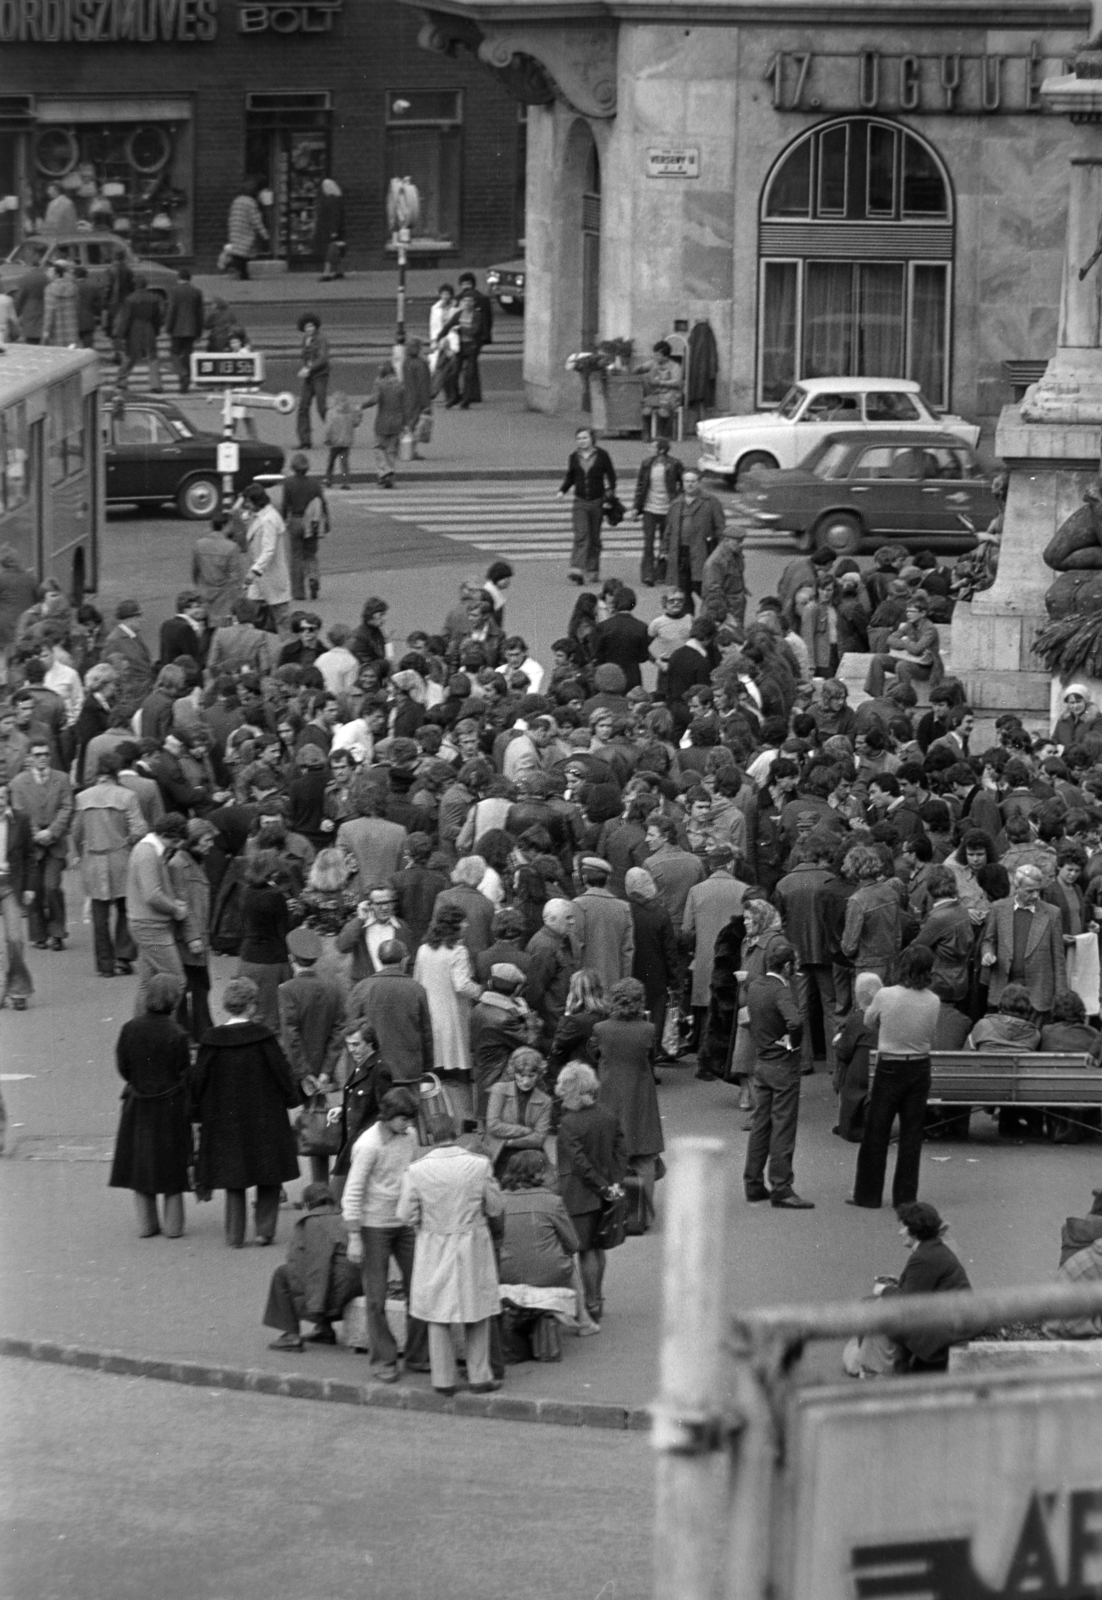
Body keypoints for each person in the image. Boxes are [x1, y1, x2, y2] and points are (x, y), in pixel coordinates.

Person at [191, 975, 304, 1249]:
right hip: (265, 1115)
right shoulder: (264, 1038)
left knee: (234, 1175)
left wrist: (196, 1113)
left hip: (225, 1118)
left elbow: (198, 1080)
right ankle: (264, 1230)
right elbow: (281, 1072)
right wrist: (292, 1099)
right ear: (251, 1005)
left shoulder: (212, 1041)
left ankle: (235, 1234)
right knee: (268, 1173)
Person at [396, 1113, 504, 1395]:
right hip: (472, 1240)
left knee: (437, 1312)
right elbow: (495, 1207)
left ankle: (443, 1379)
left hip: (433, 1242)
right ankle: (480, 1376)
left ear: (430, 1136)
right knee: (477, 1308)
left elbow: (405, 1214)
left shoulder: (416, 1170)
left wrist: (423, 1221)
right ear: (456, 1132)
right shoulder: (478, 1165)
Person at [342, 1086, 426, 1382]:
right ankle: (384, 1360)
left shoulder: (410, 1136)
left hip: (404, 1224)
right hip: (373, 1226)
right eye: (404, 1118)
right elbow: (353, 1192)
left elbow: (413, 1174)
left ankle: (417, 1355)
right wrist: (354, 1236)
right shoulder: (368, 1145)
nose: (409, 1124)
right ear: (388, 1115)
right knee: (376, 1298)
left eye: (411, 1119)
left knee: (419, 1290)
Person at [850, 944, 940, 1209]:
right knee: (911, 1135)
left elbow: (868, 1021)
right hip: (919, 1066)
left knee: (876, 1132)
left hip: (890, 1065)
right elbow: (930, 1032)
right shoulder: (933, 1000)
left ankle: (868, 1195)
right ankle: (905, 1196)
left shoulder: (886, 995)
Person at [108, 972, 192, 1239]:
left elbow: (123, 1067)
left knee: (140, 1163)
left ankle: (147, 1224)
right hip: (170, 1105)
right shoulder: (177, 1034)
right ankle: (174, 1227)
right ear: (173, 1000)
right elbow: (184, 1072)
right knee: (172, 1166)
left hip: (138, 1104)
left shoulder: (129, 1028)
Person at [743, 938, 814, 1209]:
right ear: (786, 966)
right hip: (783, 1065)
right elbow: (795, 1020)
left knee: (761, 1124)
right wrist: (792, 1041)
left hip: (762, 1062)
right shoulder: (781, 991)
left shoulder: (755, 986)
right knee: (783, 1126)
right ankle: (781, 1187)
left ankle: (753, 1183)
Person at [555, 1061, 626, 1326]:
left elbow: (578, 1164)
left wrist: (600, 1185)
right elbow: (621, 1152)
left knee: (585, 1251)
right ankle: (598, 1299)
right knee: (599, 1248)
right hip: (607, 1191)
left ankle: (591, 1303)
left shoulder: (569, 1123)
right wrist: (612, 1184)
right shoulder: (608, 1115)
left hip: (579, 1194)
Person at [497, 1149, 584, 1362]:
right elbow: (573, 1244)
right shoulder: (551, 1201)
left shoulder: (499, 1200)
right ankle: (584, 1319)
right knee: (567, 1258)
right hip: (549, 1275)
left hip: (507, 1274)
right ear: (538, 1174)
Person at [263, 1182, 364, 1352]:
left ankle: (291, 1336)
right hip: (358, 1289)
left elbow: (318, 1267)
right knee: (334, 1273)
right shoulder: (346, 1217)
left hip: (338, 1296)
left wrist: (316, 1308)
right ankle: (324, 1330)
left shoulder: (313, 1222)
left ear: (306, 1205)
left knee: (283, 1274)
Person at [592, 978, 663, 1214]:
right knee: (644, 1155)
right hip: (641, 1094)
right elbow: (651, 1057)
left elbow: (593, 1054)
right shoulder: (648, 1029)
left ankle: (614, 1209)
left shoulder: (600, 1029)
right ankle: (644, 1211)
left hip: (609, 1093)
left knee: (611, 1153)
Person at [72, 750, 145, 978]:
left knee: (99, 915)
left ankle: (105, 964)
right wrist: (127, 841)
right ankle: (123, 957)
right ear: (117, 772)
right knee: (126, 908)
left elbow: (76, 832)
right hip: (121, 857)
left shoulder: (83, 797)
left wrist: (81, 853)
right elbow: (139, 829)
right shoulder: (127, 796)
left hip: (93, 858)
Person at [413, 903, 482, 1122]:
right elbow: (462, 985)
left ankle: (434, 1117)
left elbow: (417, 981)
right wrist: (480, 991)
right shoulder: (458, 952)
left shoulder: (423, 950)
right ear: (454, 925)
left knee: (433, 1069)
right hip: (452, 1016)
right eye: (463, 921)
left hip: (429, 1015)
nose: (467, 925)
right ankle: (464, 1118)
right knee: (458, 1070)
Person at [980, 863, 1068, 1024]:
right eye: (1029, 891)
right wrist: (988, 953)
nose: (1035, 895)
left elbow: (1058, 958)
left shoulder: (1052, 913)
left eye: (1038, 890)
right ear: (1017, 887)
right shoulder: (998, 909)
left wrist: (1061, 995)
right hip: (1004, 991)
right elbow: (989, 940)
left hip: (1038, 996)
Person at [11, 737, 73, 950]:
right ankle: (38, 934)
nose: (43, 758)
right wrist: (36, 834)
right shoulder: (18, 783)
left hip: (55, 843)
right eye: (38, 755)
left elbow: (67, 807)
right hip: (31, 845)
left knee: (52, 886)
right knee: (34, 889)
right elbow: (18, 811)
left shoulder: (61, 778)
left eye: (46, 754)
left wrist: (52, 832)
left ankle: (57, 933)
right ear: (30, 757)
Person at [346, 938, 434, 1086]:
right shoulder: (416, 989)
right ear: (404, 960)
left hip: (372, 1070)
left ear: (379, 960)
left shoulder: (361, 988)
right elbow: (426, 1034)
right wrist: (427, 1067)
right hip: (408, 1071)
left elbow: (351, 1029)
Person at [125, 812, 189, 1014]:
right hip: (151, 927)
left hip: (144, 923)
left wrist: (171, 901)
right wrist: (176, 909)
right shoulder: (148, 854)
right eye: (176, 842)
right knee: (176, 981)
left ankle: (142, 1027)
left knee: (148, 983)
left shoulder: (146, 849)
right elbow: (152, 895)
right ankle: (163, 1026)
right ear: (172, 836)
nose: (175, 848)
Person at [237, 847, 291, 1032]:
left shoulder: (245, 891)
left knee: (250, 1012)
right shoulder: (275, 896)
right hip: (272, 961)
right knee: (271, 1019)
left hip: (248, 957)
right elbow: (283, 931)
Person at [558, 427, 617, 587]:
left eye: (584, 438)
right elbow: (571, 476)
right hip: (580, 501)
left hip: (597, 501)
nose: (581, 441)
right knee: (582, 535)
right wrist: (562, 491)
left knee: (594, 537)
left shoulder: (602, 455)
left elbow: (610, 476)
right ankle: (577, 568)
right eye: (579, 438)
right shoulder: (574, 457)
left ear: (592, 439)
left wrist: (609, 495)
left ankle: (592, 568)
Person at [485, 1047, 554, 1171]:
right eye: (521, 1075)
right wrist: (525, 1131)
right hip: (500, 1153)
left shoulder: (545, 1100)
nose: (526, 1081)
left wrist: (509, 1142)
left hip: (530, 1153)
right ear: (513, 1073)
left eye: (531, 1076)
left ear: (539, 1074)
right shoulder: (499, 1090)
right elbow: (493, 1125)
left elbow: (539, 1138)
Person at [832, 971, 882, 1142]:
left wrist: (839, 1040)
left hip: (861, 1084)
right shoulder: (888, 1015)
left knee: (843, 1061)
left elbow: (844, 1052)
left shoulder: (857, 1019)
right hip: (886, 1078)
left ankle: (846, 1122)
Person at [572, 856, 634, 991]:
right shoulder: (624, 907)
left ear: (584, 878)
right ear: (607, 879)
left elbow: (576, 948)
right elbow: (627, 952)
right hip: (615, 983)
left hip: (586, 985)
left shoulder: (578, 905)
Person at [667, 469, 726, 602]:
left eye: (693, 481)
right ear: (682, 483)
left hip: (703, 552)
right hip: (681, 553)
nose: (690, 484)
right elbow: (669, 530)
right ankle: (687, 614)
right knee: (683, 592)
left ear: (699, 483)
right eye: (687, 481)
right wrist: (664, 551)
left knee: (703, 589)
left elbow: (720, 528)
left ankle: (713, 611)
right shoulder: (676, 503)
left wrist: (721, 551)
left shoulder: (711, 501)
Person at [632, 437, 684, 587]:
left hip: (667, 509)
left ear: (661, 450)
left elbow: (682, 483)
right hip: (649, 508)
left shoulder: (674, 464)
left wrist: (678, 501)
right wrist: (636, 507)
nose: (650, 449)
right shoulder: (647, 463)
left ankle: (661, 573)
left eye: (653, 447)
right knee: (648, 542)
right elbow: (641, 486)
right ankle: (648, 575)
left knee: (664, 543)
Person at [243, 483, 292, 634]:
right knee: (254, 614)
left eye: (248, 502)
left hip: (270, 576)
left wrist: (255, 570)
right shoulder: (262, 516)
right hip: (263, 578)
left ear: (257, 502)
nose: (246, 505)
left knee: (281, 618)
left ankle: (286, 645)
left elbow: (269, 549)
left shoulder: (268, 520)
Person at [281, 453, 329, 603]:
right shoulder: (315, 483)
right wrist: (326, 521)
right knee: (310, 554)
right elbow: (323, 503)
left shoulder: (288, 483)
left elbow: (285, 505)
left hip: (295, 520)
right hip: (312, 521)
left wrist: (282, 520)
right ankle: (313, 577)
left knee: (296, 556)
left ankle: (298, 591)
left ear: (293, 467)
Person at [362, 361, 406, 489]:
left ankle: (385, 471)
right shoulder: (400, 385)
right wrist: (405, 423)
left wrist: (362, 406)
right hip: (397, 422)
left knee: (379, 447)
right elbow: (405, 405)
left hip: (383, 421)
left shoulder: (380, 384)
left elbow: (374, 399)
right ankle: (389, 477)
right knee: (391, 450)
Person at [116, 275, 163, 392]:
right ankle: (155, 384)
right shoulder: (154, 298)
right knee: (153, 356)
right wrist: (156, 330)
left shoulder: (130, 299)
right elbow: (158, 317)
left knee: (130, 355)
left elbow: (126, 319)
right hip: (149, 326)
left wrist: (121, 335)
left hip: (134, 328)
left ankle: (122, 380)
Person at [164, 268, 204, 393]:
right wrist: (199, 331)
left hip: (177, 328)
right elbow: (200, 313)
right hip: (192, 328)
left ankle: (183, 374)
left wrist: (168, 327)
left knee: (174, 353)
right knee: (187, 355)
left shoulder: (174, 291)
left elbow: (172, 310)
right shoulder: (196, 291)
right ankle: (185, 384)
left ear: (179, 278)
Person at [295, 314, 330, 449]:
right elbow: (305, 357)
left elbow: (323, 358)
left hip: (320, 376)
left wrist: (309, 368)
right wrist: (306, 369)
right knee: (303, 407)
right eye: (306, 327)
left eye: (311, 326)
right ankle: (305, 441)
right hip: (309, 377)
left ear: (315, 326)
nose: (309, 329)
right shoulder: (305, 339)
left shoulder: (321, 339)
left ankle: (335, 433)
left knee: (321, 407)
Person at [639, 340, 683, 438]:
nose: (655, 357)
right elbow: (640, 368)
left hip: (670, 395)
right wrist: (641, 372)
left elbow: (678, 382)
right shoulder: (653, 363)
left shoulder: (675, 366)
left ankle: (662, 435)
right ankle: (647, 434)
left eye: (658, 355)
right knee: (646, 409)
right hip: (655, 394)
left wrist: (660, 383)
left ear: (665, 356)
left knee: (662, 411)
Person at [226, 182, 268, 279]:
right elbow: (255, 220)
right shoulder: (250, 203)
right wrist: (265, 235)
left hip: (235, 228)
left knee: (238, 252)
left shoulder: (236, 200)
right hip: (245, 230)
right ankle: (242, 273)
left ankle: (240, 272)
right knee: (244, 254)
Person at [323, 392, 363, 490]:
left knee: (331, 461)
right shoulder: (351, 412)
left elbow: (329, 428)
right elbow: (356, 423)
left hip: (335, 443)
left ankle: (328, 479)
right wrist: (360, 415)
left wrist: (327, 439)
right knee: (344, 462)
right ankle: (345, 482)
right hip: (346, 443)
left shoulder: (331, 412)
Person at [314, 178, 346, 280]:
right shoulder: (337, 199)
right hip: (335, 229)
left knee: (330, 251)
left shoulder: (332, 200)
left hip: (330, 230)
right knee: (336, 250)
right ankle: (340, 271)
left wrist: (334, 230)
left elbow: (335, 216)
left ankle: (327, 273)